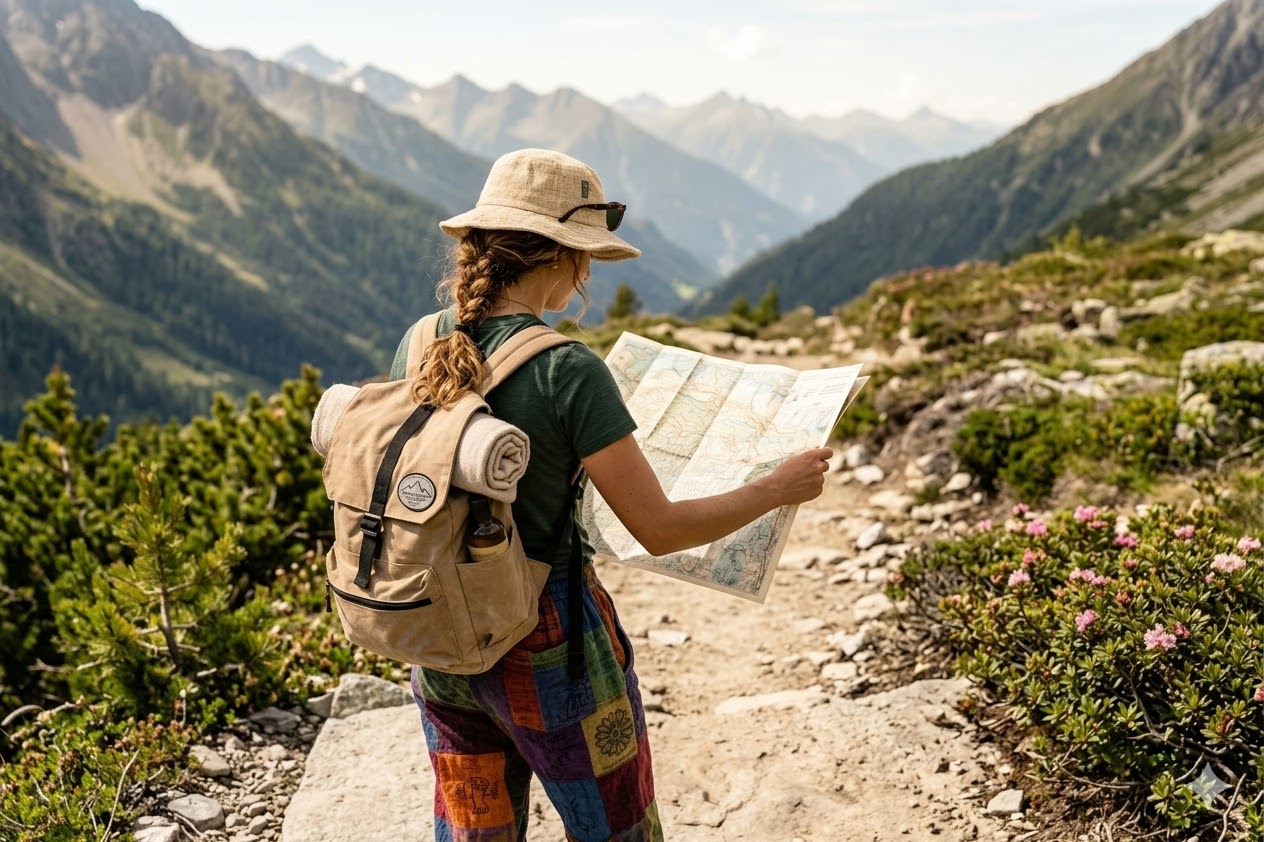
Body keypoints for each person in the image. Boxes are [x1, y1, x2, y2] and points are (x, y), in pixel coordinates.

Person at [390, 148, 833, 842]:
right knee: (615, 830)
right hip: (548, 646)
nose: (590, 270)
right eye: (585, 252)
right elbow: (657, 529)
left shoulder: (423, 341)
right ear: (559, 254)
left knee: (476, 833)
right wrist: (777, 488)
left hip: (440, 639)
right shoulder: (567, 370)